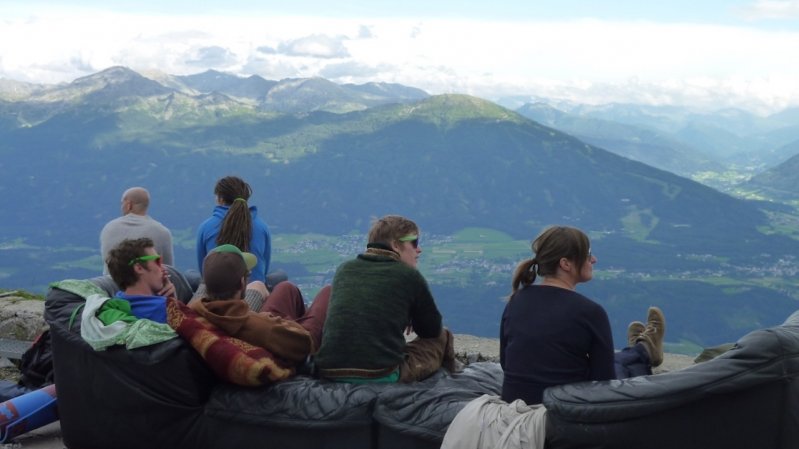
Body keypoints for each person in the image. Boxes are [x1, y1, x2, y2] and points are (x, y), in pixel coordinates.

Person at [500, 225, 666, 405]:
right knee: (619, 367)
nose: (593, 260)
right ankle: (643, 350)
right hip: (563, 411)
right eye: (588, 255)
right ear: (565, 264)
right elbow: (604, 382)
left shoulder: (516, 300)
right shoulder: (590, 312)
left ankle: (643, 349)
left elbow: (505, 362)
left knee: (614, 362)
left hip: (515, 405)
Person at [314, 215, 457, 383]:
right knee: (443, 335)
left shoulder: (344, 269)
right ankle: (451, 388)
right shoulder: (408, 276)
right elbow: (431, 330)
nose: (419, 250)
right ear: (396, 245)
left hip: (328, 371)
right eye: (414, 243)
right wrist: (412, 312)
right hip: (381, 374)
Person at [188, 244, 330, 362]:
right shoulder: (263, 328)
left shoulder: (193, 313)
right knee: (327, 292)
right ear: (242, 283)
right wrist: (282, 323)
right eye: (247, 275)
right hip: (295, 340)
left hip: (257, 323)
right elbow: (306, 344)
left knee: (286, 288)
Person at [196, 176, 272, 285]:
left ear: (220, 199)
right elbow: (264, 268)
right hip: (254, 291)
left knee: (191, 275)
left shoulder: (206, 227)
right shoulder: (262, 227)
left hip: (216, 292)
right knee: (279, 275)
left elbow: (203, 269)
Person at [100, 187, 174, 274]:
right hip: (148, 285)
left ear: (129, 205)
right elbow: (169, 269)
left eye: (121, 203)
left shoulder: (109, 228)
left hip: (111, 285)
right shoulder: (162, 232)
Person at [106, 237, 177, 322]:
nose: (162, 268)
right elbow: (194, 329)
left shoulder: (117, 302)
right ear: (139, 268)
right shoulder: (162, 309)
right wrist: (173, 304)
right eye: (157, 261)